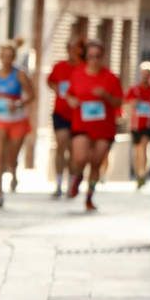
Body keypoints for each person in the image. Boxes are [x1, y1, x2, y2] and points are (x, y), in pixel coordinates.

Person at [65, 39, 123, 211]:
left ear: (102, 57)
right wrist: (72, 100)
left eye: (97, 56)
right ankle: (78, 176)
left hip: (104, 128)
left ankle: (89, 197)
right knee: (80, 158)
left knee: (97, 162)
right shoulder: (77, 73)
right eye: (90, 56)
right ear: (86, 58)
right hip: (81, 124)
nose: (94, 60)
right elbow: (68, 94)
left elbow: (119, 102)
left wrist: (106, 95)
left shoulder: (110, 78)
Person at [0, 41, 34, 208]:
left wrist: (19, 103)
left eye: (10, 56)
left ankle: (13, 171)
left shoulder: (20, 74)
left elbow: (31, 95)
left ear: (14, 57)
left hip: (17, 119)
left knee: (11, 157)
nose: (6, 59)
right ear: (0, 57)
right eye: (4, 56)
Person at [47, 36, 85, 197]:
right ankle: (58, 184)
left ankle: (71, 183)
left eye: (76, 48)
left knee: (73, 150)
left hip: (78, 114)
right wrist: (57, 89)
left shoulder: (84, 68)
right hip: (60, 112)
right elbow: (50, 81)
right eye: (69, 47)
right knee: (60, 145)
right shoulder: (59, 66)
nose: (72, 51)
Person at [125, 61, 150, 188]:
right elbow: (127, 105)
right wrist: (133, 105)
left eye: (148, 74)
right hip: (136, 125)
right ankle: (138, 173)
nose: (145, 77)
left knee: (144, 147)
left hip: (149, 124)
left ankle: (143, 174)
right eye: (143, 74)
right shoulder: (134, 90)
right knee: (137, 150)